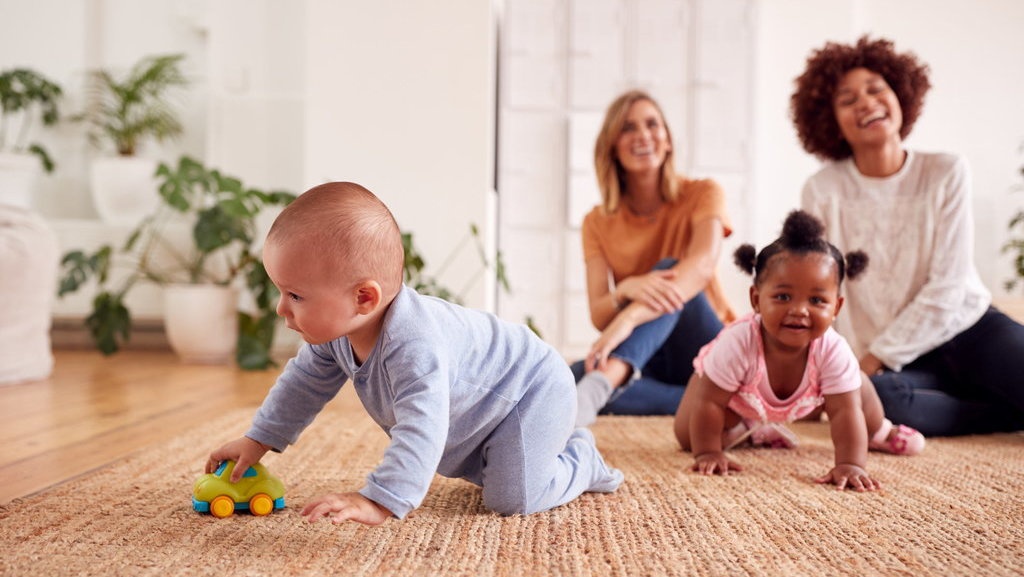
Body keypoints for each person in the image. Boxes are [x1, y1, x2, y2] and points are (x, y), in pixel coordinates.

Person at [205, 182, 623, 525]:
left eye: (295, 295)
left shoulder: (415, 346)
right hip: (487, 403)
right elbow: (303, 385)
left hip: (532, 389)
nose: (281, 308)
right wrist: (258, 440)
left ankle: (581, 459)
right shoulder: (337, 334)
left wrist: (380, 500)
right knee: (485, 468)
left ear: (364, 298)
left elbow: (422, 427)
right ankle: (543, 449)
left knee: (513, 498)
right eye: (282, 290)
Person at [791, 36, 1024, 436]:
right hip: (896, 361)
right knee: (882, 403)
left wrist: (868, 361)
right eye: (847, 100)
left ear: (900, 95)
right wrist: (833, 369)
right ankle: (1006, 414)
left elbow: (948, 287)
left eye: (876, 89)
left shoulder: (946, 171)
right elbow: (817, 288)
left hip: (967, 329)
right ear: (831, 122)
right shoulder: (822, 189)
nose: (866, 102)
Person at [673, 210, 925, 491]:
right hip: (735, 397)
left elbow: (843, 412)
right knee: (688, 436)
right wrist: (708, 452)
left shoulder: (832, 348)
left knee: (855, 385)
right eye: (782, 297)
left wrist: (850, 464)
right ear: (756, 299)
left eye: (817, 300)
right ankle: (749, 429)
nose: (799, 310)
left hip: (807, 398)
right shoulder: (737, 342)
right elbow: (710, 402)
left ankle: (879, 431)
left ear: (836, 308)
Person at [573, 90, 736, 427]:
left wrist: (628, 320)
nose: (643, 135)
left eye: (652, 124)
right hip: (649, 353)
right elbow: (599, 312)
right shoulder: (597, 221)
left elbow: (701, 267)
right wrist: (626, 289)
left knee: (667, 270)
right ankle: (711, 403)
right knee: (569, 376)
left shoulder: (704, 193)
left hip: (707, 345)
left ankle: (607, 384)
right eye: (628, 128)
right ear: (612, 147)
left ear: (668, 140)